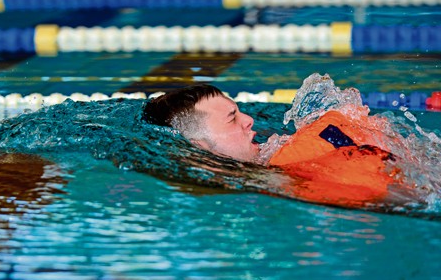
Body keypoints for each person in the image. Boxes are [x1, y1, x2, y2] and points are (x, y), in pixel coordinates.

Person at [143, 84, 403, 207]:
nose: (249, 120)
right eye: (232, 118)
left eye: (240, 111)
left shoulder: (289, 163)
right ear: (199, 147)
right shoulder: (285, 181)